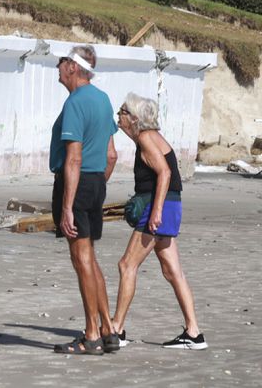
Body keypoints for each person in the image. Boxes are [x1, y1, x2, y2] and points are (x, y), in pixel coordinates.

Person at [108, 93, 206, 350]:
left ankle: (116, 329)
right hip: (170, 205)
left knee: (126, 265)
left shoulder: (145, 138)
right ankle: (194, 333)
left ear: (135, 118)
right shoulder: (148, 137)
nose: (119, 115)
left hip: (160, 207)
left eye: (123, 112)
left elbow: (165, 172)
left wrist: (156, 212)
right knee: (172, 270)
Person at [50, 45, 119, 355]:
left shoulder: (76, 102)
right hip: (95, 183)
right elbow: (111, 154)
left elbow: (73, 159)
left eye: (62, 62)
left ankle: (91, 334)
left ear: (73, 68)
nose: (58, 67)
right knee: (90, 258)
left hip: (77, 184)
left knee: (82, 260)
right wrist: (96, 187)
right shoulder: (103, 100)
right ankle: (108, 329)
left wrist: (68, 205)